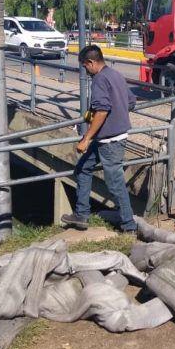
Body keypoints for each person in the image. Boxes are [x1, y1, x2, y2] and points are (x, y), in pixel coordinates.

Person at [62, 44, 137, 232]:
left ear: (91, 62)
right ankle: (81, 215)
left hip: (110, 141)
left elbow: (102, 111)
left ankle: (129, 226)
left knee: (115, 184)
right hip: (108, 138)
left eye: (85, 66)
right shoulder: (115, 74)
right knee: (83, 168)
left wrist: (86, 138)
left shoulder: (99, 80)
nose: (86, 71)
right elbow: (131, 101)